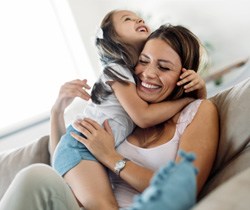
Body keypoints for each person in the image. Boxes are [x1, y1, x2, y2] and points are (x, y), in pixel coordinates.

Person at [0, 23, 218, 210]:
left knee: (36, 177)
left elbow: (182, 190)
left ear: (185, 76)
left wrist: (112, 158)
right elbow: (64, 162)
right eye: (143, 61)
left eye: (163, 67)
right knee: (36, 176)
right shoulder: (125, 112)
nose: (148, 73)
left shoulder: (198, 110)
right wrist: (56, 111)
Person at [51, 10, 207, 210]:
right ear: (113, 38)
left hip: (88, 148)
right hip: (80, 145)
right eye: (128, 20)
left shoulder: (134, 81)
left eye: (164, 67)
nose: (139, 20)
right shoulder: (116, 70)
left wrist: (197, 92)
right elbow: (143, 117)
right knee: (105, 206)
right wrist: (187, 98)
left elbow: (193, 113)